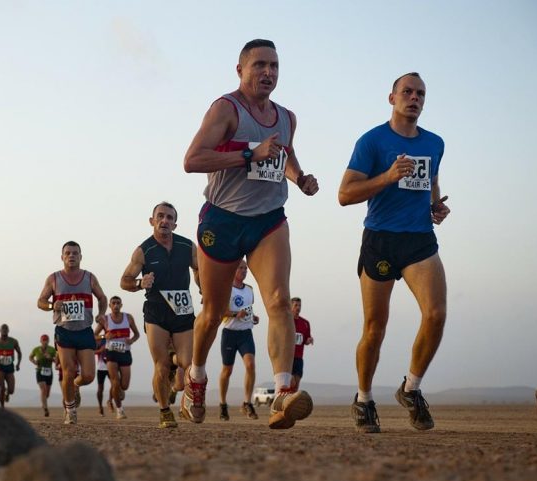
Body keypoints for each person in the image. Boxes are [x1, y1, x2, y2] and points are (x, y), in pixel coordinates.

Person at [183, 39, 318, 429]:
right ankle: (195, 377)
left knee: (277, 300)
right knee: (212, 312)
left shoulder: (286, 117)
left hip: (268, 220)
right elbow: (192, 160)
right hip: (222, 220)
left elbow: (285, 156)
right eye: (259, 65)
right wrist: (247, 154)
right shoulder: (226, 109)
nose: (268, 73)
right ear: (240, 70)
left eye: (274, 66)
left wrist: (300, 178)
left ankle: (282, 392)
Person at [338, 72, 450, 433]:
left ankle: (411, 389)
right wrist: (386, 177)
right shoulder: (372, 141)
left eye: (420, 93)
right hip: (381, 239)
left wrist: (435, 205)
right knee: (375, 328)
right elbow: (344, 194)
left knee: (435, 314)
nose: (413, 98)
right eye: (407, 92)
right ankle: (364, 399)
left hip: (419, 240)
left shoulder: (435, 142)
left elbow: (430, 177)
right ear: (392, 98)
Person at [121, 202, 198, 428]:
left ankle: (176, 362)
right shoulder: (144, 250)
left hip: (182, 311)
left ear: (175, 223)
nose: (165, 221)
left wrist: (203, 287)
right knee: (161, 365)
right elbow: (124, 281)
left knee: (187, 364)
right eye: (160, 216)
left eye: (169, 218)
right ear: (152, 221)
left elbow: (199, 269)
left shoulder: (187, 246)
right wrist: (139, 283)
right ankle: (165, 411)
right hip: (156, 310)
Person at [37, 240, 107, 425]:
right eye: (67, 253)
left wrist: (100, 314)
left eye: (75, 253)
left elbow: (102, 297)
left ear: (81, 257)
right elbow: (41, 301)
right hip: (64, 331)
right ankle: (70, 409)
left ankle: (76, 385)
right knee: (67, 371)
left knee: (89, 376)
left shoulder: (89, 277)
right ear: (62, 257)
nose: (71, 256)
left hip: (84, 331)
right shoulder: (53, 278)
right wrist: (53, 305)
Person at [218, 260, 260, 420]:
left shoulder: (249, 290)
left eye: (245, 268)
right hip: (229, 333)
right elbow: (220, 311)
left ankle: (247, 402)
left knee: (250, 365)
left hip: (245, 333)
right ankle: (223, 404)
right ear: (233, 270)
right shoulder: (226, 288)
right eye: (241, 268)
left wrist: (252, 317)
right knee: (227, 370)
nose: (244, 271)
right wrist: (236, 315)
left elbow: (248, 309)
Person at [94, 296, 140, 420]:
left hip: (124, 352)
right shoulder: (105, 320)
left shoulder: (128, 318)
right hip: (111, 353)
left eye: (118, 303)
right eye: (113, 303)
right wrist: (104, 336)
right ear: (110, 305)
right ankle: (119, 410)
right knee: (114, 381)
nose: (116, 305)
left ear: (121, 305)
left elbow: (137, 334)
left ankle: (117, 393)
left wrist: (131, 340)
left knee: (124, 385)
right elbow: (94, 336)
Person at [29, 334, 58, 417]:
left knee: (47, 393)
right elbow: (30, 357)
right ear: (41, 341)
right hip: (39, 371)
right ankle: (45, 408)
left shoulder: (52, 350)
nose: (45, 342)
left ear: (48, 341)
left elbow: (56, 361)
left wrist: (50, 358)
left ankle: (43, 403)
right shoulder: (36, 349)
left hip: (49, 372)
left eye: (46, 340)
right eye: (43, 340)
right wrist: (34, 362)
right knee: (43, 389)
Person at [0, 324, 22, 408]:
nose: (4, 332)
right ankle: (2, 407)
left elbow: (19, 353)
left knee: (11, 390)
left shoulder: (13, 341)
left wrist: (18, 364)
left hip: (10, 367)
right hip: (0, 367)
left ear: (8, 331)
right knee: (1, 388)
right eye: (3, 330)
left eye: (6, 330)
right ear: (0, 331)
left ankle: (7, 393)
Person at [290, 297, 314, 391]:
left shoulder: (305, 323)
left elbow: (306, 340)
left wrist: (309, 340)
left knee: (296, 383)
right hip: (288, 357)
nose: (298, 307)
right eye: (296, 305)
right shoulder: (286, 321)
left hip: (299, 357)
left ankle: (292, 403)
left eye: (299, 305)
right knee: (290, 382)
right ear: (291, 306)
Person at [93, 333, 111, 416]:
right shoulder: (100, 338)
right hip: (101, 368)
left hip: (111, 366)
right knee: (100, 388)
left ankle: (110, 400)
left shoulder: (109, 337)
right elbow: (95, 338)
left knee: (115, 385)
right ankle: (100, 407)